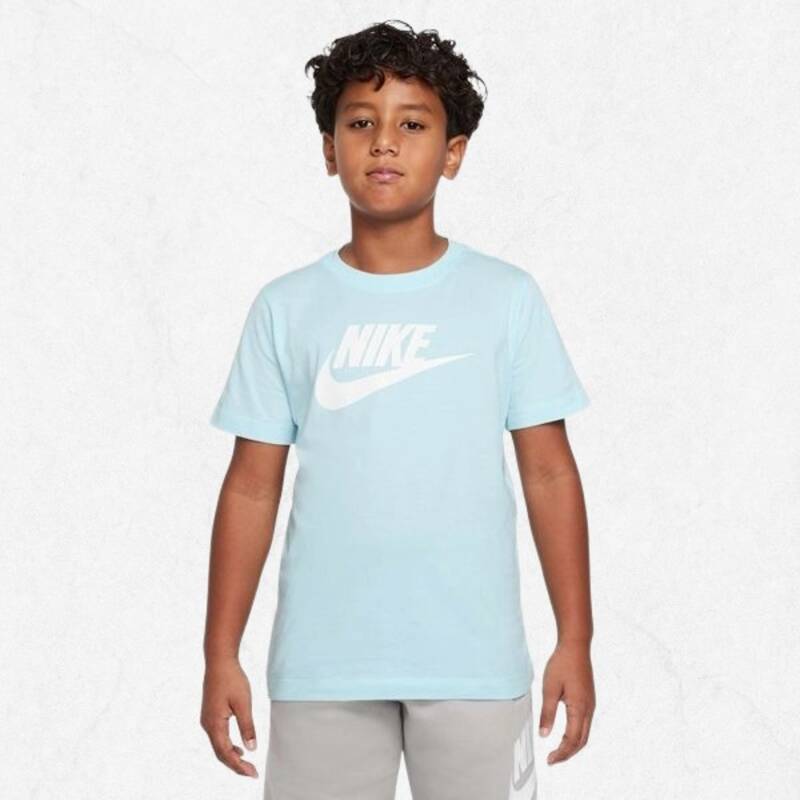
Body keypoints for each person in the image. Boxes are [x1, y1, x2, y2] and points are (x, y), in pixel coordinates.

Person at [200, 19, 595, 800]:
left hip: (475, 665)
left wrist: (575, 639)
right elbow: (250, 487)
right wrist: (220, 655)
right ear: (329, 148)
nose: (384, 142)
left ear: (453, 152)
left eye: (412, 124)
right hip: (323, 666)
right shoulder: (286, 308)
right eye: (360, 123)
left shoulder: (505, 299)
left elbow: (550, 474)